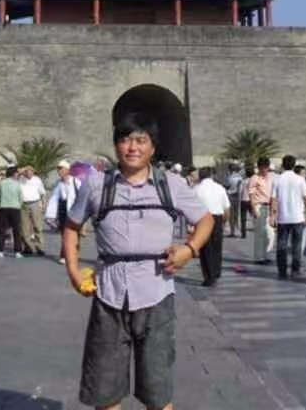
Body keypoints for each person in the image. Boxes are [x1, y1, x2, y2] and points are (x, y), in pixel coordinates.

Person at [63, 112, 213, 410]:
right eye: (125, 140)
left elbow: (206, 219)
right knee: (105, 391)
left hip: (157, 296)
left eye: (141, 140)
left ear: (153, 147)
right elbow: (71, 226)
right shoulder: (96, 185)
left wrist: (190, 249)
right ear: (116, 145)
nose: (132, 147)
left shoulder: (171, 185)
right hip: (109, 296)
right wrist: (73, 270)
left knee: (158, 391)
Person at [271, 156, 306, 280]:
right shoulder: (300, 179)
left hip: (283, 218)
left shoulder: (277, 180)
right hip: (297, 217)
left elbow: (273, 199)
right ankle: (295, 270)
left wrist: (272, 216)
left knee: (281, 246)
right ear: (294, 165)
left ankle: (282, 272)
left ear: (283, 165)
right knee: (297, 245)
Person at [195, 167, 230, 286]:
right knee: (217, 246)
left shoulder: (196, 189)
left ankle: (209, 276)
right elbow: (227, 208)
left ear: (200, 176)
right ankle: (216, 271)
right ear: (211, 175)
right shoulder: (220, 188)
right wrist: (224, 222)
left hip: (202, 218)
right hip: (217, 217)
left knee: (205, 248)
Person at [46, 160, 81, 264]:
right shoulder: (58, 183)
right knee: (64, 234)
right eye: (58, 169)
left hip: (74, 210)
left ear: (67, 170)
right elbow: (54, 198)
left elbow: (82, 196)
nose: (59, 171)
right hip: (62, 210)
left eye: (61, 169)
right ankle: (64, 255)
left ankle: (72, 255)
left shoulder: (75, 181)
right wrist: (50, 214)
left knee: (74, 235)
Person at [248, 157, 274, 264]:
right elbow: (251, 194)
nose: (264, 170)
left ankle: (267, 254)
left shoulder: (270, 178)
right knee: (260, 233)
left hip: (268, 206)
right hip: (259, 205)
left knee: (270, 233)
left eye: (266, 167)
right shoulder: (254, 178)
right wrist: (254, 208)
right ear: (259, 168)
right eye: (262, 168)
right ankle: (258, 257)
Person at [0, 166, 24, 258]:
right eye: (17, 173)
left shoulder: (1, 183)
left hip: (3, 207)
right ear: (13, 174)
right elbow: (21, 197)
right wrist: (19, 205)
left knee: (2, 230)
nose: (17, 175)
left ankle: (0, 250)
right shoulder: (17, 184)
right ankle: (17, 251)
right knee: (16, 230)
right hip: (15, 208)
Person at [20, 165, 47, 256]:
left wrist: (44, 203)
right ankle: (28, 247)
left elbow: (42, 192)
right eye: (27, 171)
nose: (29, 173)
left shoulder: (37, 180)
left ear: (33, 172)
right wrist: (22, 170)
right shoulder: (20, 179)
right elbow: (15, 172)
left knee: (37, 226)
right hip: (23, 204)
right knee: (25, 227)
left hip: (35, 203)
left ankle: (39, 247)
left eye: (31, 171)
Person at [224, 164, 242, 238]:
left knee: (231, 214)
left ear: (230, 169)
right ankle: (236, 229)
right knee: (236, 213)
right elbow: (239, 188)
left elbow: (227, 186)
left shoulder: (229, 177)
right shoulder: (239, 177)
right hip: (237, 196)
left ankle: (233, 231)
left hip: (230, 196)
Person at [239, 164, 254, 238]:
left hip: (244, 200)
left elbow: (240, 191)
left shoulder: (243, 181)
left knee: (243, 218)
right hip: (252, 200)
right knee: (254, 215)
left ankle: (243, 233)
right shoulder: (254, 181)